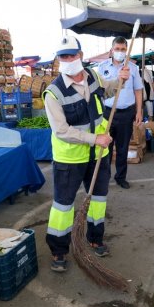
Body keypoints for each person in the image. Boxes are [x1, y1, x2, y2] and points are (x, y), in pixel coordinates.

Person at [43, 36, 116, 272]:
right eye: (63, 56)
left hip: (98, 154)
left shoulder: (93, 76)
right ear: (58, 59)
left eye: (72, 55)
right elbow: (62, 131)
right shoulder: (53, 93)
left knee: (98, 200)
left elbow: (106, 90)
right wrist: (96, 138)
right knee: (63, 206)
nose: (68, 60)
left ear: (81, 55)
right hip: (70, 159)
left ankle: (95, 238)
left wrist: (119, 81)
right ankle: (58, 251)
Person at [98, 36, 144, 189]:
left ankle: (121, 177)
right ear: (111, 51)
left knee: (123, 148)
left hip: (126, 113)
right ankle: (104, 177)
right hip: (107, 113)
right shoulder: (101, 67)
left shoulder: (133, 68)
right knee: (105, 148)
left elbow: (138, 90)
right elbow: (98, 92)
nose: (120, 52)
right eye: (117, 49)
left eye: (123, 49)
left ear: (127, 51)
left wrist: (139, 111)